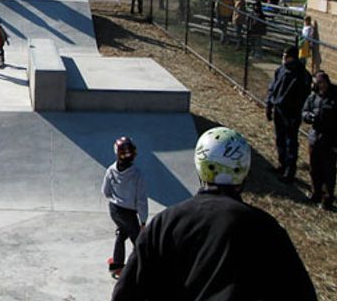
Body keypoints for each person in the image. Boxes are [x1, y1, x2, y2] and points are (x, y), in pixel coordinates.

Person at [111, 127, 317, 301]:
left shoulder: (165, 224)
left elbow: (125, 294)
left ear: (200, 168)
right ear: (244, 170)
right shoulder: (266, 229)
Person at [102, 136, 147, 280]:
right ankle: (140, 268)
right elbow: (141, 200)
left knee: (122, 234)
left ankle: (117, 263)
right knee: (138, 241)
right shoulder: (137, 174)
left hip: (114, 210)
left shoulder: (110, 170)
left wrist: (116, 199)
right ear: (134, 154)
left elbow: (105, 191)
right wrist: (143, 221)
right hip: (128, 213)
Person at [265, 46, 311, 182]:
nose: (283, 58)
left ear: (294, 57)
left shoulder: (302, 74)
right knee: (280, 138)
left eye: (286, 56)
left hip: (292, 112)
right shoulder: (280, 70)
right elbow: (273, 88)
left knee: (290, 141)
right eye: (283, 56)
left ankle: (290, 171)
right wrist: (269, 104)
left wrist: (298, 109)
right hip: (279, 109)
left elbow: (305, 95)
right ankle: (282, 164)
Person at [302, 71, 337, 210]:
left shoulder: (335, 97)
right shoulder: (313, 97)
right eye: (317, 83)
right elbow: (304, 110)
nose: (320, 86)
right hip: (315, 138)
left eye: (322, 82)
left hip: (330, 140)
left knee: (328, 171)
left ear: (327, 82)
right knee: (314, 168)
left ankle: (327, 198)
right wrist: (308, 117)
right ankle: (315, 192)